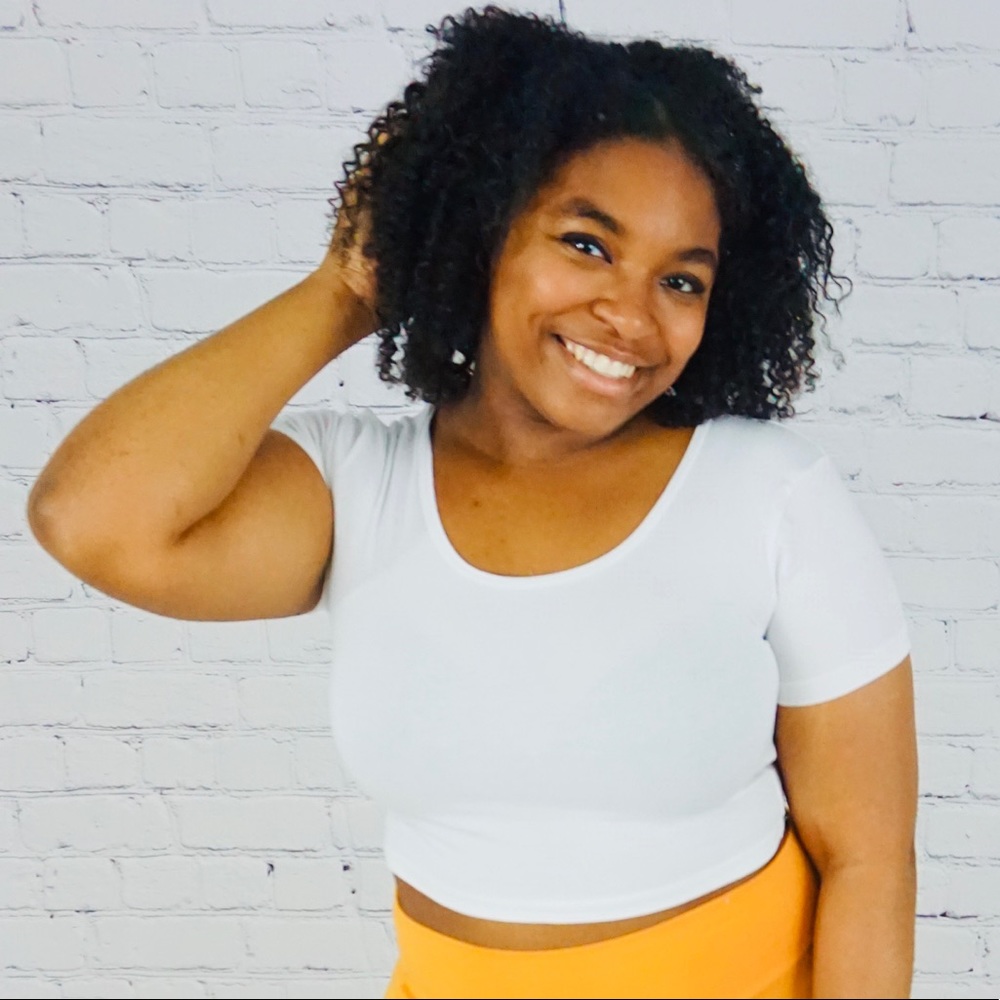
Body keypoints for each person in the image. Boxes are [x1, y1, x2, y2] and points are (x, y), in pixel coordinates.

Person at [27, 7, 917, 999]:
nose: (630, 313)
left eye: (680, 279)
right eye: (586, 244)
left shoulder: (768, 494)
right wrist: (347, 288)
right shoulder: (359, 487)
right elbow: (92, 519)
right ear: (482, 226)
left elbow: (868, 859)